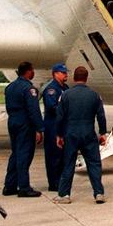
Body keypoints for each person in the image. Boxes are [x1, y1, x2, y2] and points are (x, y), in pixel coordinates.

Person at [53, 66, 109, 204]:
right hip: (88, 132)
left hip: (71, 133)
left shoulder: (65, 95)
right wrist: (102, 133)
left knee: (68, 164)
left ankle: (64, 194)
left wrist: (59, 135)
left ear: (74, 78)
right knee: (94, 163)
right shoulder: (94, 95)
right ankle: (99, 193)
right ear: (86, 78)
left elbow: (59, 117)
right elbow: (101, 116)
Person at [2, 61, 44, 198]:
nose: (33, 73)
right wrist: (39, 128)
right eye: (32, 70)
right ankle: (24, 187)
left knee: (15, 153)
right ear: (27, 71)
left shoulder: (10, 87)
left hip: (13, 121)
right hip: (24, 123)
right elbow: (33, 110)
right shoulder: (29, 89)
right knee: (24, 154)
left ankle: (9, 185)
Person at [41, 63, 69, 191]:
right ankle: (53, 183)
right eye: (63, 73)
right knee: (53, 156)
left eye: (66, 72)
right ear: (55, 74)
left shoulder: (66, 88)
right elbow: (52, 108)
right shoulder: (51, 89)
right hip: (53, 126)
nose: (66, 75)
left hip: (64, 126)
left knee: (63, 156)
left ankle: (61, 182)